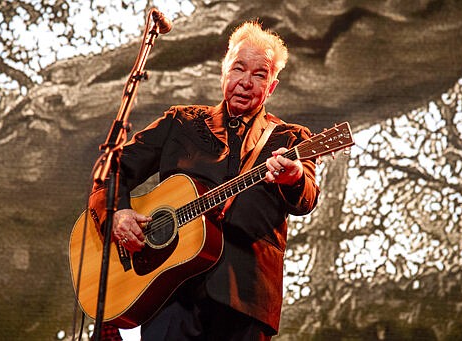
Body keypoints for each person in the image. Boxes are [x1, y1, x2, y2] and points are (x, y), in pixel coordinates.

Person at [107, 20, 320, 340]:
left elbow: (307, 199)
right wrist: (119, 212)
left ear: (272, 86)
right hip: (171, 293)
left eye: (259, 74)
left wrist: (295, 178)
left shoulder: (290, 139)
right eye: (239, 68)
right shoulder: (180, 122)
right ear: (224, 70)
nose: (246, 81)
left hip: (245, 298)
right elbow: (113, 168)